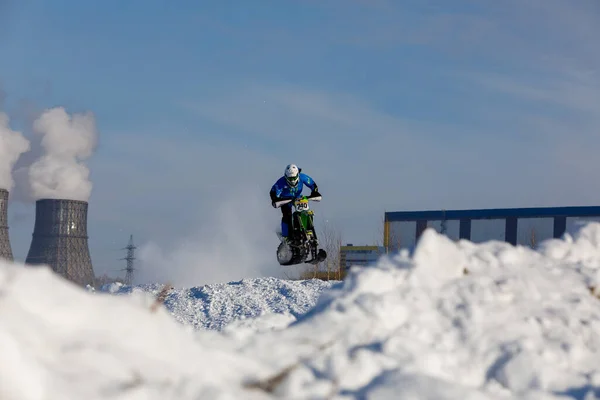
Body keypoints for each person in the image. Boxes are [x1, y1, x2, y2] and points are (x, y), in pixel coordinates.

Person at [269, 164, 321, 241]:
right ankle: (286, 237)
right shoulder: (281, 182)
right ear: (286, 177)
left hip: (298, 197)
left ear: (297, 175)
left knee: (306, 211)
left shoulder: (302, 177)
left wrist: (314, 192)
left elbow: (312, 184)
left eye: (294, 178)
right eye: (290, 178)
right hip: (286, 199)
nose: (292, 181)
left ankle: (308, 229)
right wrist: (275, 198)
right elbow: (273, 192)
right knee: (287, 215)